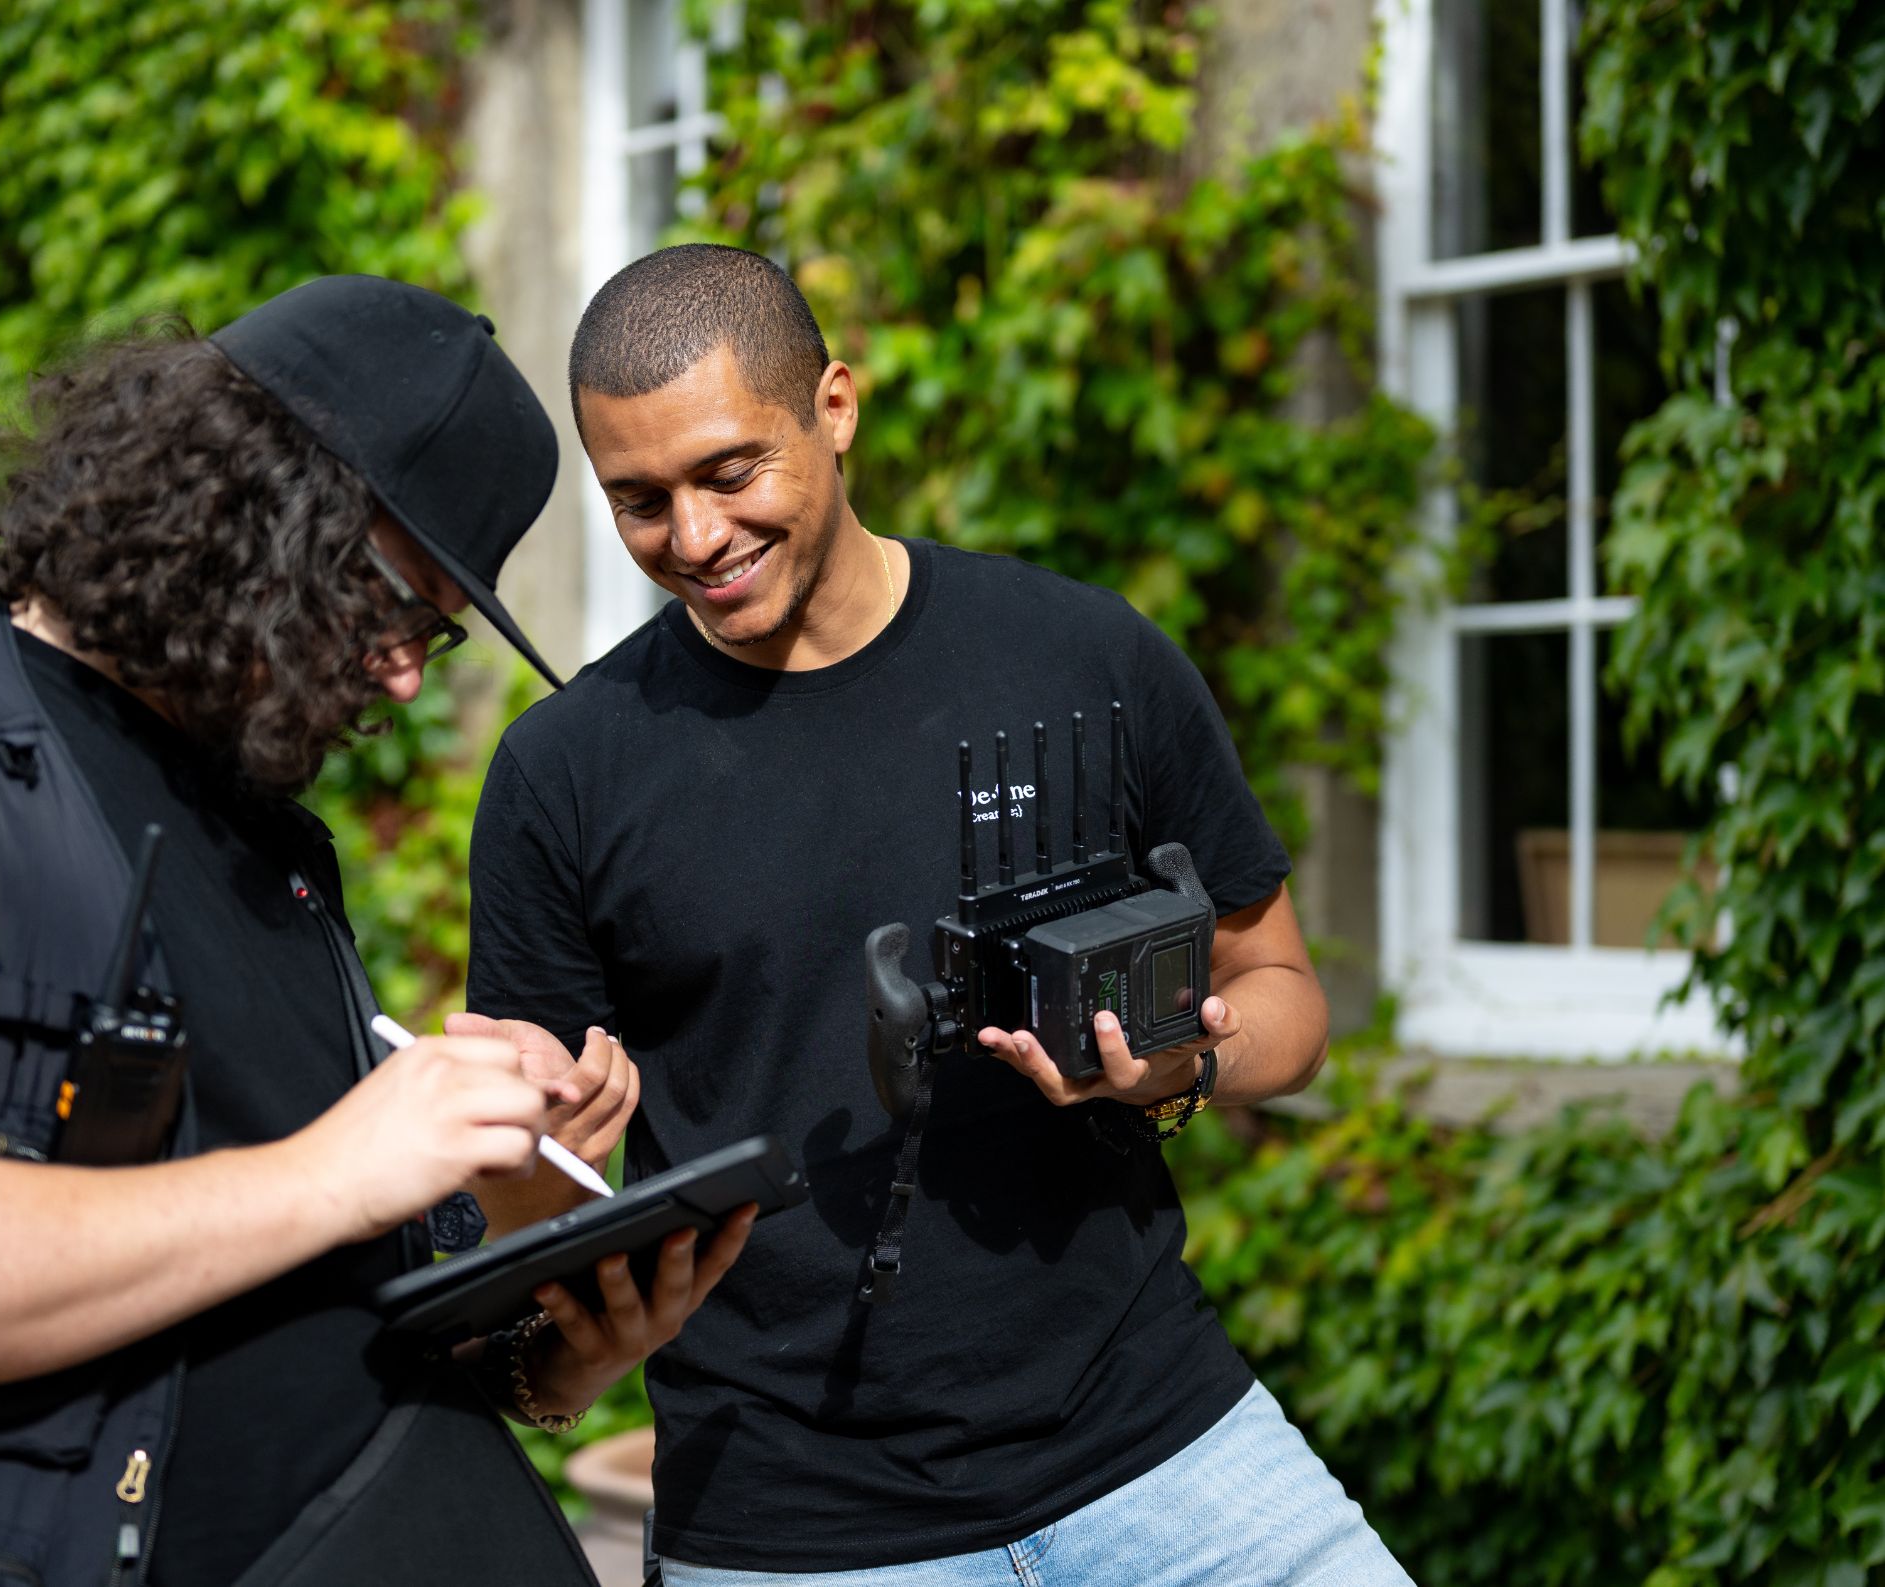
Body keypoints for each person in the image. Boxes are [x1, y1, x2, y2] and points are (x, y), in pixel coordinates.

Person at [0, 276, 750, 1586]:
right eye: (397, 602)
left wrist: (535, 1310)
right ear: (240, 500)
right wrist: (339, 1166)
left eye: (433, 634)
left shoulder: (259, 841)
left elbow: (262, 1292)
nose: (405, 672)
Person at [463, 245, 1416, 1585]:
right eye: (637, 501)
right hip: (795, 1526)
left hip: (1167, 1453)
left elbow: (1285, 998)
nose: (692, 540)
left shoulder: (1082, 655)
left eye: (731, 473)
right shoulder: (564, 774)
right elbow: (514, 1216)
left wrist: (1180, 1065)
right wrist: (532, 1163)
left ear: (835, 408)